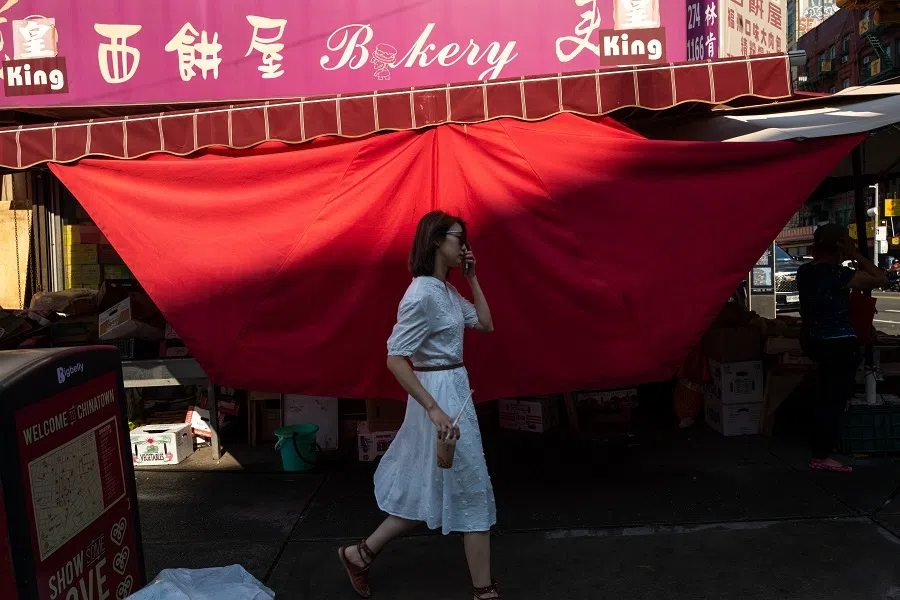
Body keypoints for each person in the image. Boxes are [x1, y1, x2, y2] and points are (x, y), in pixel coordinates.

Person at [338, 211, 499, 600]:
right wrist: (432, 408)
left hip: (454, 390)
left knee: (427, 483)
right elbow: (395, 356)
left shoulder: (446, 291)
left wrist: (473, 278)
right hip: (438, 396)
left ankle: (360, 554)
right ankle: (484, 591)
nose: (464, 245)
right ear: (435, 242)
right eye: (458, 237)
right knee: (470, 486)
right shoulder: (422, 294)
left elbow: (485, 324)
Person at [797, 223, 887, 473]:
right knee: (834, 399)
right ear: (839, 246)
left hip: (812, 340)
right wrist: (855, 254)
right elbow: (880, 277)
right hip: (838, 343)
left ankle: (822, 448)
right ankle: (821, 455)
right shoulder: (837, 274)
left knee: (824, 395)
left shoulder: (804, 271)